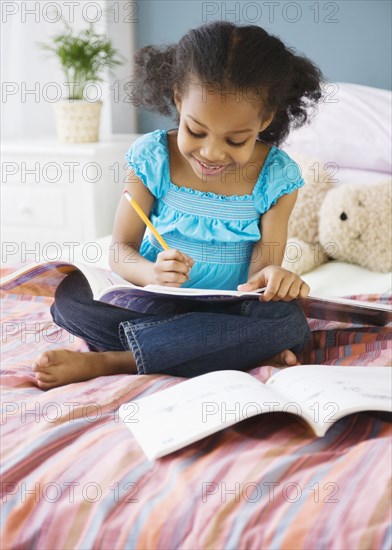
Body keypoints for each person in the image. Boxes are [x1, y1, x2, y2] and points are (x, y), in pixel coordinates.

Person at [33, 21, 323, 390]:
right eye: (197, 131)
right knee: (70, 297)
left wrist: (271, 278)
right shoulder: (151, 157)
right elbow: (120, 250)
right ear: (178, 99)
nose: (212, 153)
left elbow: (264, 268)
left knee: (287, 323)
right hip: (152, 302)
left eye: (235, 140)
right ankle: (225, 352)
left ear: (264, 120)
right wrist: (152, 272)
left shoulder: (277, 176)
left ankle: (115, 361)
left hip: (229, 310)